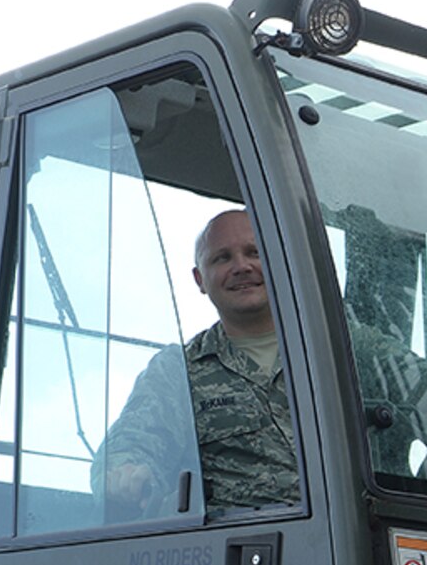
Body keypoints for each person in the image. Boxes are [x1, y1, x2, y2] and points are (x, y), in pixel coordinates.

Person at [94, 208, 300, 517]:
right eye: (222, 258)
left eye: (253, 252)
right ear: (200, 279)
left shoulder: (340, 351)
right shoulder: (179, 370)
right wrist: (128, 473)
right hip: (244, 548)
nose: (241, 267)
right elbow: (134, 442)